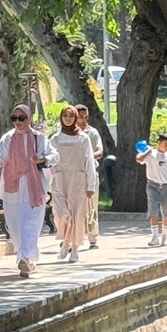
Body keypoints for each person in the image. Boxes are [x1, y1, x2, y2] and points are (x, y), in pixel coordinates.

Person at [0, 104, 59, 278]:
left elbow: (54, 156)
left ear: (29, 118)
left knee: (30, 224)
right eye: (15, 118)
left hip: (33, 188)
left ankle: (25, 258)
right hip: (12, 188)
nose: (18, 122)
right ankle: (26, 259)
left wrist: (41, 159)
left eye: (22, 118)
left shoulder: (38, 138)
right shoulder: (8, 139)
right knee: (15, 227)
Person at [48, 105, 98, 264]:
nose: (68, 119)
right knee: (62, 214)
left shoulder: (83, 138)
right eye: (65, 116)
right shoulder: (55, 138)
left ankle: (74, 248)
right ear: (61, 118)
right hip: (60, 179)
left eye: (71, 116)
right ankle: (66, 241)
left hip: (78, 180)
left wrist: (91, 185)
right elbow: (50, 161)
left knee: (77, 215)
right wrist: (46, 183)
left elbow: (89, 160)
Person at [137, 134, 167, 246]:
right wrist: (148, 151)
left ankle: (164, 234)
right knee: (153, 210)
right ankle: (154, 236)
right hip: (152, 185)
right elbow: (139, 159)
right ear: (158, 142)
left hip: (166, 185)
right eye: (165, 144)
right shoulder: (151, 154)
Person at [74, 105, 105, 249]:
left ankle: (93, 238)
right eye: (81, 117)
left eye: (86, 117)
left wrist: (89, 156)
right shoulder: (65, 132)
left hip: (90, 173)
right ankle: (72, 237)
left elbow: (100, 150)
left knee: (91, 206)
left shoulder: (92, 132)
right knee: (73, 207)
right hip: (73, 174)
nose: (84, 120)